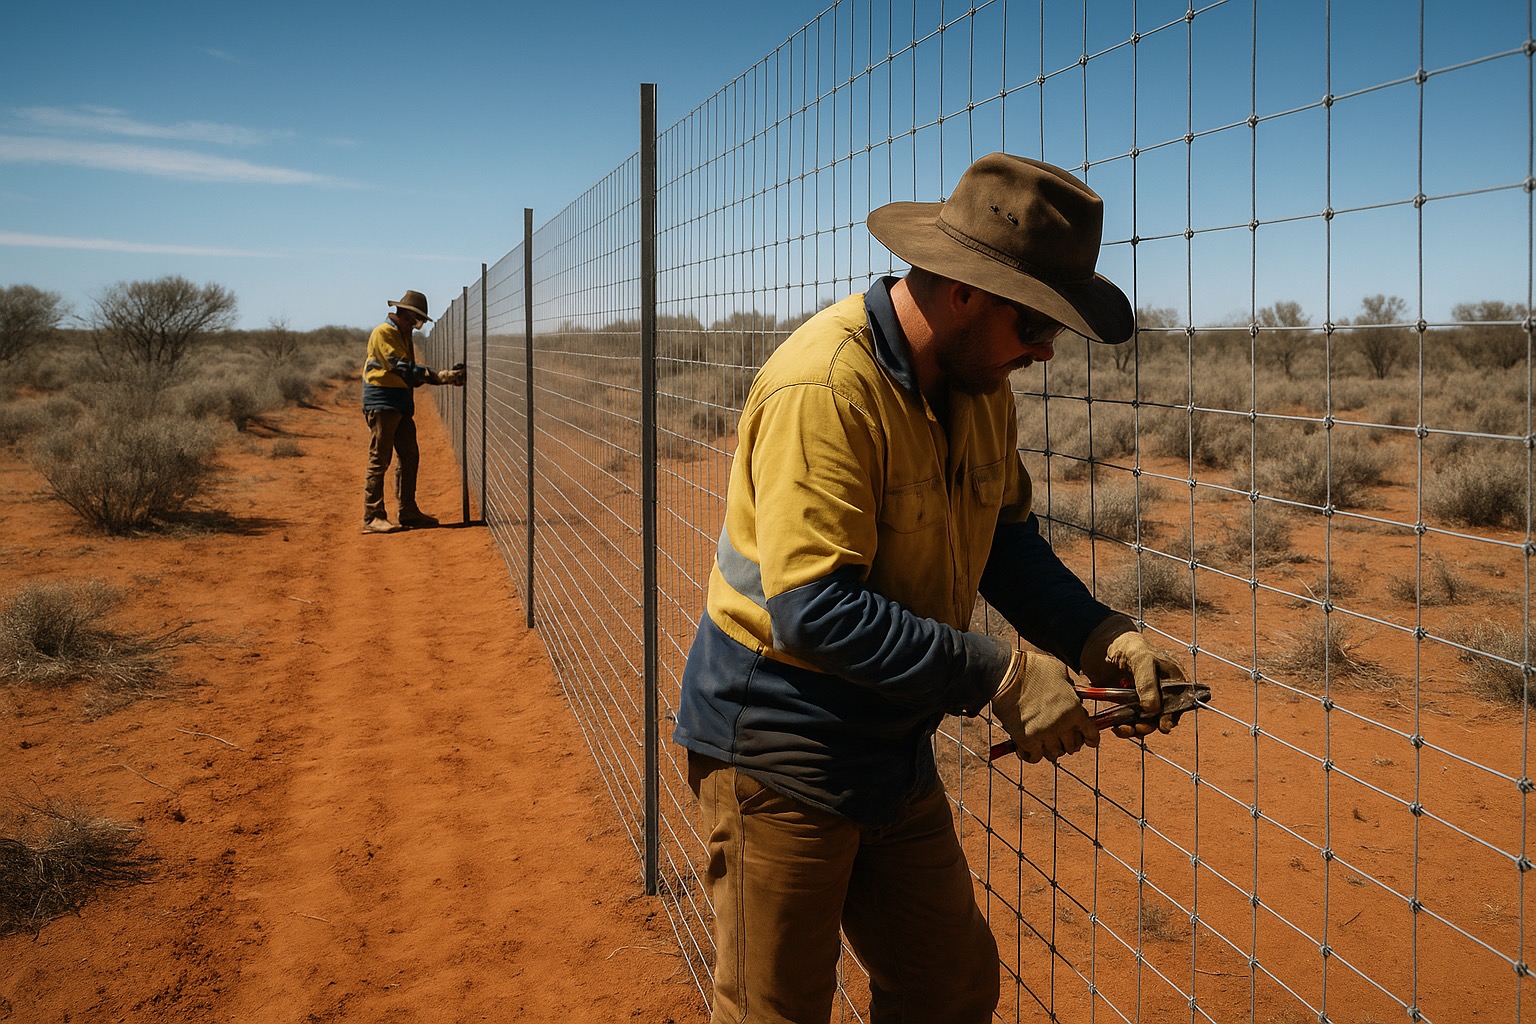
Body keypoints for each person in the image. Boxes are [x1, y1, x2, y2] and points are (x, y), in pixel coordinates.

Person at [673, 153, 1190, 1023]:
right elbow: (813, 611)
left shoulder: (981, 384)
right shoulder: (825, 386)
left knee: (947, 987)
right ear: (964, 292)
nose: (1045, 348)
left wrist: (1101, 635)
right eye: (1034, 322)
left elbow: (1007, 547)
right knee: (775, 1008)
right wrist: (1005, 677)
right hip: (779, 740)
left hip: (890, 739)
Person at [360, 289, 465, 534]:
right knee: (380, 460)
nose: (417, 326)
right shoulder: (384, 332)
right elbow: (401, 368)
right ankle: (372, 516)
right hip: (382, 402)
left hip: (400, 402)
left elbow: (410, 375)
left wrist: (439, 377)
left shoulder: (401, 334)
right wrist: (441, 377)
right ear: (406, 314)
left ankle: (408, 510)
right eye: (416, 321)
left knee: (409, 456)